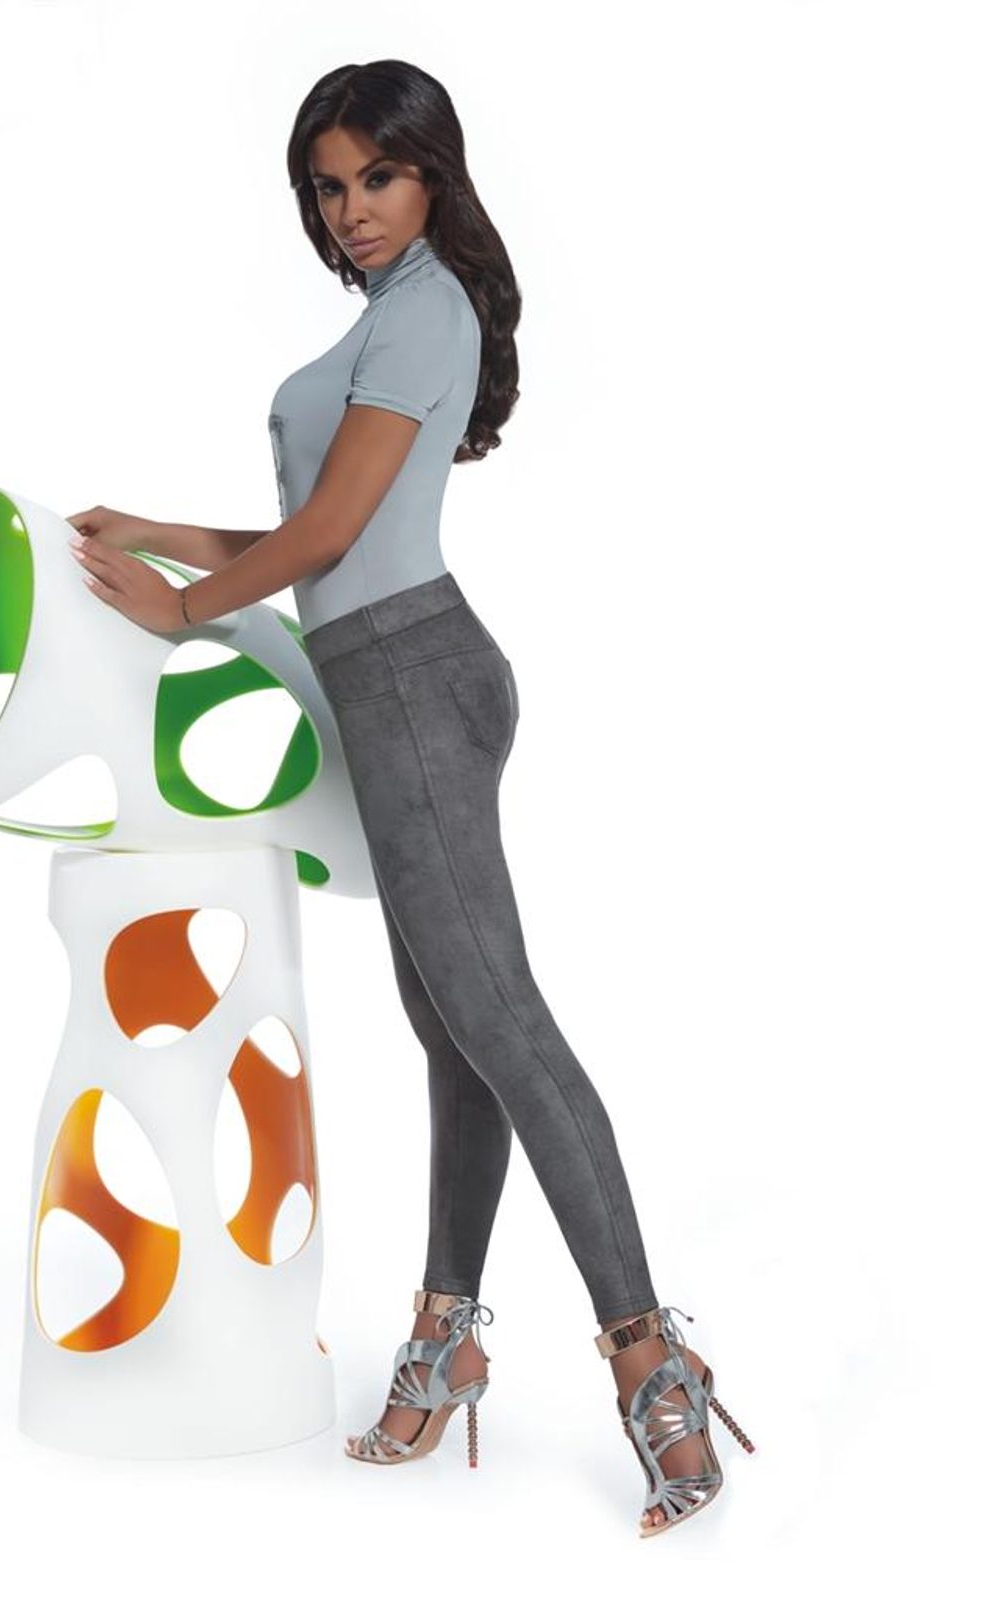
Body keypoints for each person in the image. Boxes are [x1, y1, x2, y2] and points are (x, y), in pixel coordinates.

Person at [65, 58, 754, 1538]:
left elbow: (329, 534)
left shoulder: (430, 307)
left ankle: (651, 1361)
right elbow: (317, 536)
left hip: (415, 683)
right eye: (329, 186)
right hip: (386, 685)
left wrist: (180, 611)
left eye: (376, 176)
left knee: (501, 1025)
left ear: (431, 173)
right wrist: (166, 537)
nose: (352, 208)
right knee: (455, 1033)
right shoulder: (388, 317)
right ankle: (448, 1338)